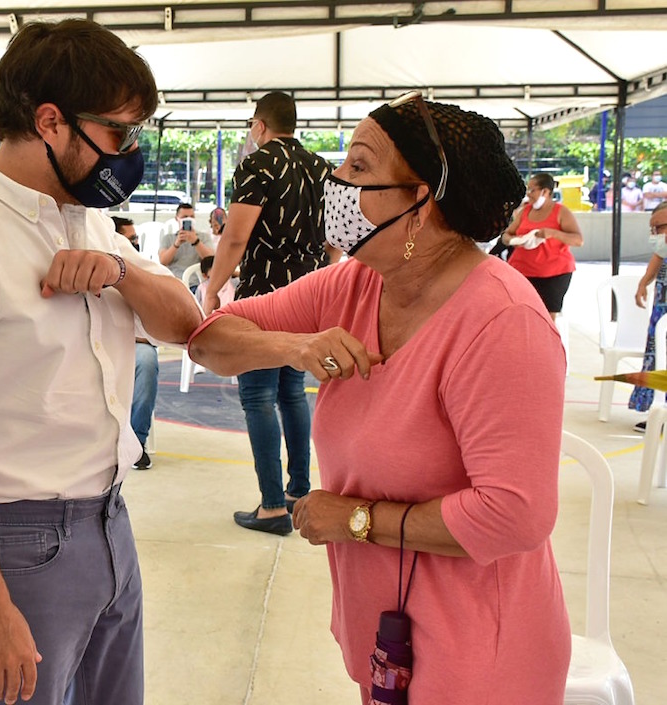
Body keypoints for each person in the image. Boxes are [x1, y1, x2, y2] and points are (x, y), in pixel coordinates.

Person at [188, 92, 570, 703]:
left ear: (422, 201)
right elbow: (210, 340)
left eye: (359, 168)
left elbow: (515, 514)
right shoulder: (357, 282)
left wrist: (357, 520)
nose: (336, 183)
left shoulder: (503, 322)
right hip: (390, 643)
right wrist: (295, 346)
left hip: (478, 654)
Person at [0, 19, 202, 705]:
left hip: (108, 523)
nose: (129, 152)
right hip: (17, 545)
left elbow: (183, 322)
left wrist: (118, 269)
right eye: (118, 132)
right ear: (50, 121)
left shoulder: (81, 217)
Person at [201, 91, 333, 536]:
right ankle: (298, 493)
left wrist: (213, 288)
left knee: (257, 396)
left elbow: (235, 238)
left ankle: (273, 507)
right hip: (308, 296)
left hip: (264, 297)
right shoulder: (321, 168)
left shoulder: (258, 164)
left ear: (259, 126)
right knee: (292, 390)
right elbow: (333, 241)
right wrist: (319, 282)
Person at [498, 173, 584, 320]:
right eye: (528, 190)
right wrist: (514, 241)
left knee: (546, 317)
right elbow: (506, 235)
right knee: (518, 314)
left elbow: (578, 240)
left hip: (553, 273)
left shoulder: (561, 212)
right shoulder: (525, 211)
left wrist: (553, 233)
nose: (529, 195)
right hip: (522, 270)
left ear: (545, 191)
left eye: (532, 190)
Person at [113, 216, 157, 469]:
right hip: (98, 341)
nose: (136, 244)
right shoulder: (92, 265)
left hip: (136, 342)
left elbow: (153, 332)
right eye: (131, 240)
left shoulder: (142, 271)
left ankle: (137, 444)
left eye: (136, 239)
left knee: (147, 360)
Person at [629, 201, 667, 431]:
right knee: (657, 357)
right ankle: (656, 410)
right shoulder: (663, 247)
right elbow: (653, 267)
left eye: (659, 227)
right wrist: (643, 284)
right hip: (661, 311)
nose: (654, 235)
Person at [158, 202, 214, 279]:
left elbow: (211, 259)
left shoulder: (204, 237)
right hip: (175, 280)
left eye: (191, 217)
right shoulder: (168, 238)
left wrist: (196, 241)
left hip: (196, 281)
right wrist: (176, 244)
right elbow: (163, 261)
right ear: (177, 218)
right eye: (185, 217)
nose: (189, 219)